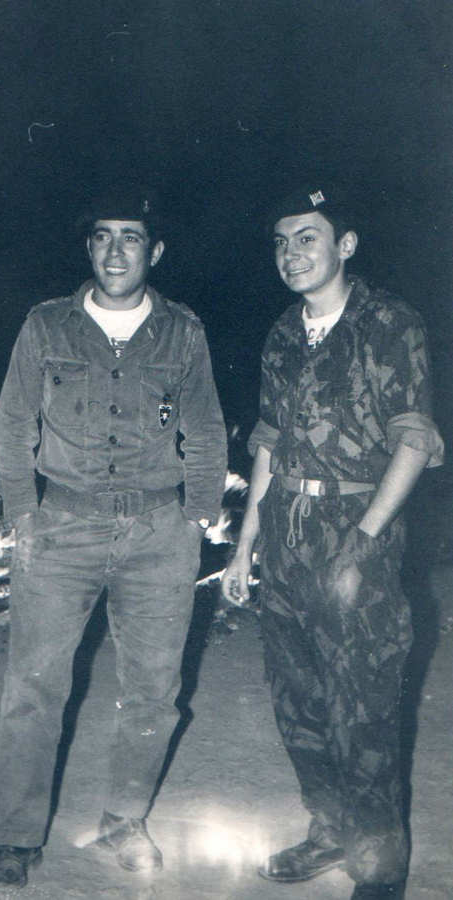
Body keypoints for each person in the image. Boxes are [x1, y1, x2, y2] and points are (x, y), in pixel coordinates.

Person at [0, 186, 228, 888]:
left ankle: (125, 820)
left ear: (155, 250)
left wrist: (197, 515)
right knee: (33, 690)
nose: (115, 251)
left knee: (153, 691)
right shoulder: (46, 326)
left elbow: (206, 428)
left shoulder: (182, 331)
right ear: (88, 247)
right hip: (60, 529)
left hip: (159, 534)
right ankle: (17, 838)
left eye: (131, 237)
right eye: (101, 236)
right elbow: (11, 426)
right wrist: (23, 514)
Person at [222, 185, 444, 900]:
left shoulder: (389, 323)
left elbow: (414, 441)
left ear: (344, 245)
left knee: (364, 714)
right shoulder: (283, 334)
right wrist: (244, 545)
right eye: (281, 242)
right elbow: (267, 444)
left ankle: (378, 876)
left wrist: (364, 542)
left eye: (307, 238)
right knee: (300, 706)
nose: (290, 254)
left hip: (356, 531)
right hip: (285, 535)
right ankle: (328, 832)